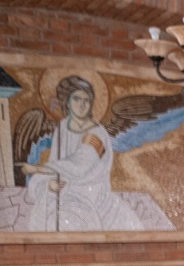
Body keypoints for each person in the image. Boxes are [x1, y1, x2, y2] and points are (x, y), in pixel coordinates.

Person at [19, 75, 143, 231]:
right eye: (76, 99)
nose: (82, 105)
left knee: (72, 209)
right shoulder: (62, 127)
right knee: (44, 192)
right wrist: (50, 183)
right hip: (66, 181)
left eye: (86, 100)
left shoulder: (96, 133)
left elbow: (80, 166)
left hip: (90, 187)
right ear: (67, 102)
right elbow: (56, 160)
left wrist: (37, 169)